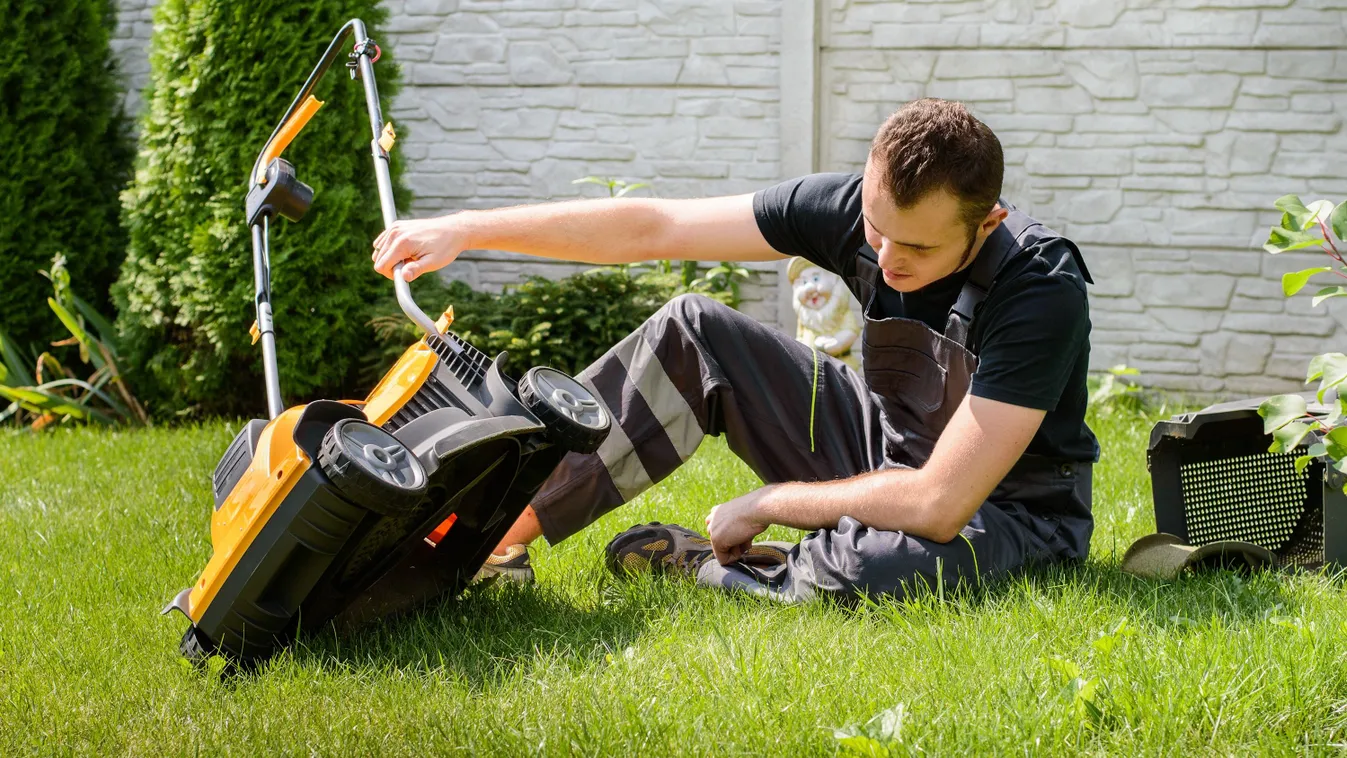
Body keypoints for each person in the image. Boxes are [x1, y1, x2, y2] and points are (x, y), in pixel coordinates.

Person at [370, 98, 1097, 603]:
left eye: (915, 246)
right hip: (885, 447)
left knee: (882, 570)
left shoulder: (1040, 289)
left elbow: (940, 503)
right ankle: (492, 541)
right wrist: (466, 229)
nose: (886, 255)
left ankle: (720, 569)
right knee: (695, 329)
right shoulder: (853, 213)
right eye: (876, 231)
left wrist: (768, 502)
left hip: (1005, 511)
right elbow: (654, 229)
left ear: (987, 221)